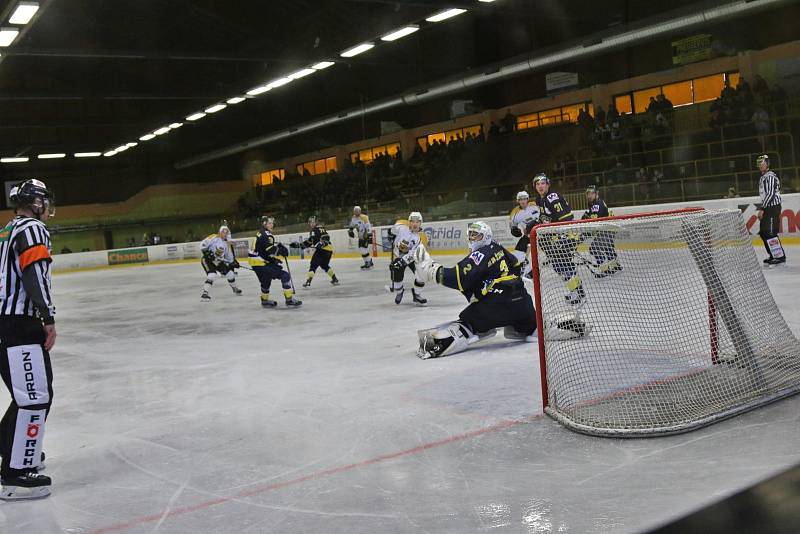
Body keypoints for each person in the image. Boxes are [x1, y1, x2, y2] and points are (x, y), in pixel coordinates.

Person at [412, 221, 587, 359]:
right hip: (522, 303)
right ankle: (554, 327)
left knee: (468, 321)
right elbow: (517, 265)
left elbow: (458, 278)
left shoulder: (480, 254)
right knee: (531, 325)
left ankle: (437, 344)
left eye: (477, 235)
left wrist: (430, 270)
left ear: (486, 237)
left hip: (496, 307)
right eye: (471, 234)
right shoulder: (498, 247)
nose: (473, 238)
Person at [0, 179, 56, 500]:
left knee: (28, 394)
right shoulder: (32, 229)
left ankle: (11, 448)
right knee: (34, 396)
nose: (47, 207)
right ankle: (16, 474)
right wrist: (47, 317)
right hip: (20, 324)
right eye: (43, 201)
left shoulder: (6, 231)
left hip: (6, 324)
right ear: (34, 203)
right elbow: (34, 273)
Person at [532, 173, 585, 304]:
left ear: (548, 184)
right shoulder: (540, 200)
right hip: (557, 237)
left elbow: (565, 218)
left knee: (561, 265)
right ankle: (577, 291)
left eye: (543, 183)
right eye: (537, 184)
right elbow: (547, 218)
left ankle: (577, 293)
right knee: (563, 265)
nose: (540, 186)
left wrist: (564, 237)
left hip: (565, 235)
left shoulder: (552, 197)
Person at [249, 217, 301, 308]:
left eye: (272, 223)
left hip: (255, 263)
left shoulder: (260, 233)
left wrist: (273, 260)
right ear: (264, 224)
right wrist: (281, 250)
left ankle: (264, 301)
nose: (272, 225)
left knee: (266, 281)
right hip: (261, 263)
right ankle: (289, 300)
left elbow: (262, 250)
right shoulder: (268, 235)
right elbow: (270, 250)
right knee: (285, 275)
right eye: (270, 223)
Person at [388, 212, 428, 306]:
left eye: (417, 222)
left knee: (422, 274)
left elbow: (414, 254)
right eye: (412, 221)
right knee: (397, 280)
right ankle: (400, 291)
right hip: (398, 256)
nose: (415, 224)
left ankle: (417, 294)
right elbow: (392, 230)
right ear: (409, 222)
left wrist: (402, 262)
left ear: (421, 223)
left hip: (414, 259)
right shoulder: (401, 225)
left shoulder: (422, 237)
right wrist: (391, 234)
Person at [581, 185, 622, 276]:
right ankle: (616, 265)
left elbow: (594, 224)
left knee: (594, 249)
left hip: (608, 229)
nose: (589, 196)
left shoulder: (597, 205)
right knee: (608, 248)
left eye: (592, 193)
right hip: (610, 228)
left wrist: (583, 234)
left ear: (597, 194)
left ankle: (605, 269)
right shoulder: (595, 203)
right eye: (588, 194)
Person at [292, 216, 340, 288]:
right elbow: (326, 237)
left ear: (315, 222)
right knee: (324, 265)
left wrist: (300, 245)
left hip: (322, 251)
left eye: (312, 222)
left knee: (313, 265)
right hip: (329, 250)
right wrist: (301, 245)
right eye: (310, 222)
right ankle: (334, 279)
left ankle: (308, 281)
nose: (311, 224)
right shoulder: (322, 228)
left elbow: (310, 242)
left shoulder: (314, 230)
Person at [756, 155, 786, 265]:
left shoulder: (769, 176)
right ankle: (773, 255)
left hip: (772, 208)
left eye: (762, 163)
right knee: (764, 232)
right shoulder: (764, 177)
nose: (760, 165)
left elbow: (770, 194)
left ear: (767, 164)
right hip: (768, 207)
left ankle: (779, 256)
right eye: (759, 163)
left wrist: (762, 209)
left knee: (770, 232)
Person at [200, 225, 242, 301]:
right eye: (223, 231)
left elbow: (229, 258)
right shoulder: (213, 237)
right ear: (220, 232)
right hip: (207, 260)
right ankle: (205, 294)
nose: (225, 233)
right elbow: (202, 245)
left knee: (230, 274)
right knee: (212, 275)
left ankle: (234, 288)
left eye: (226, 232)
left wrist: (234, 263)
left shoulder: (226, 244)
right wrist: (208, 253)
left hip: (218, 261)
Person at [508, 191, 540, 278]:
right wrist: (514, 230)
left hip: (542, 235)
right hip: (528, 237)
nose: (523, 201)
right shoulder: (515, 212)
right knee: (518, 253)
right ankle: (531, 271)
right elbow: (512, 226)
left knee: (544, 255)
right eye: (520, 199)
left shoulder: (536, 205)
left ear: (528, 199)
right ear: (518, 201)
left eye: (524, 199)